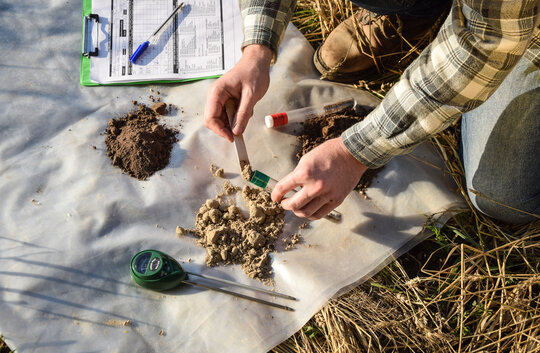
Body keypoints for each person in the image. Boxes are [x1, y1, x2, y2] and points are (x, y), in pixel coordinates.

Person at [204, 0, 540, 224]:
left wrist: (357, 151)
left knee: (504, 198)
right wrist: (257, 50)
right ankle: (415, 9)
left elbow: (484, 40)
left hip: (510, 24)